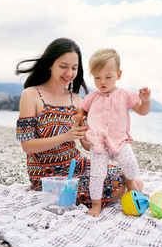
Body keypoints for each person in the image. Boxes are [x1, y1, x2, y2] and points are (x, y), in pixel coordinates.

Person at [15, 38, 131, 210]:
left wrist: (106, 137)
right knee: (112, 188)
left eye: (74, 68)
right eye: (63, 66)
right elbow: (27, 146)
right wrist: (65, 136)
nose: (69, 73)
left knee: (121, 174)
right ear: (50, 64)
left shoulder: (76, 99)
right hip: (47, 174)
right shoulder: (31, 95)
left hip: (77, 164)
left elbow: (85, 143)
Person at [76, 48, 150, 217]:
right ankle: (96, 204)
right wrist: (80, 116)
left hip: (120, 141)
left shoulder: (125, 95)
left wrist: (145, 101)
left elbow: (142, 111)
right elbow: (82, 108)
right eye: (97, 77)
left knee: (130, 163)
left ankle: (130, 182)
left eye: (108, 77)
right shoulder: (93, 96)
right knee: (97, 175)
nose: (102, 82)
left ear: (119, 74)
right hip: (98, 143)